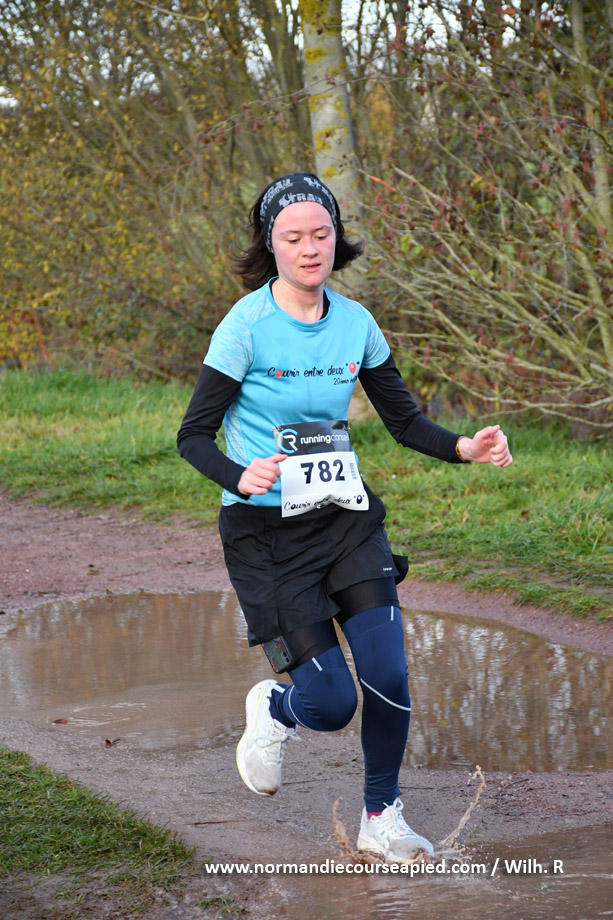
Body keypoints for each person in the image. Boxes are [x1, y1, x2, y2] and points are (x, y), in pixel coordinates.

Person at [177, 171, 513, 865]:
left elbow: (402, 420)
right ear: (271, 245)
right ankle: (276, 709)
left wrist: (464, 447)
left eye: (321, 234)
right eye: (292, 237)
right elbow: (192, 436)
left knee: (387, 670)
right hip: (265, 538)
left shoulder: (356, 324)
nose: (309, 249)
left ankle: (381, 817)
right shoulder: (246, 327)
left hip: (345, 520)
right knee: (330, 704)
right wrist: (240, 475)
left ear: (336, 238)